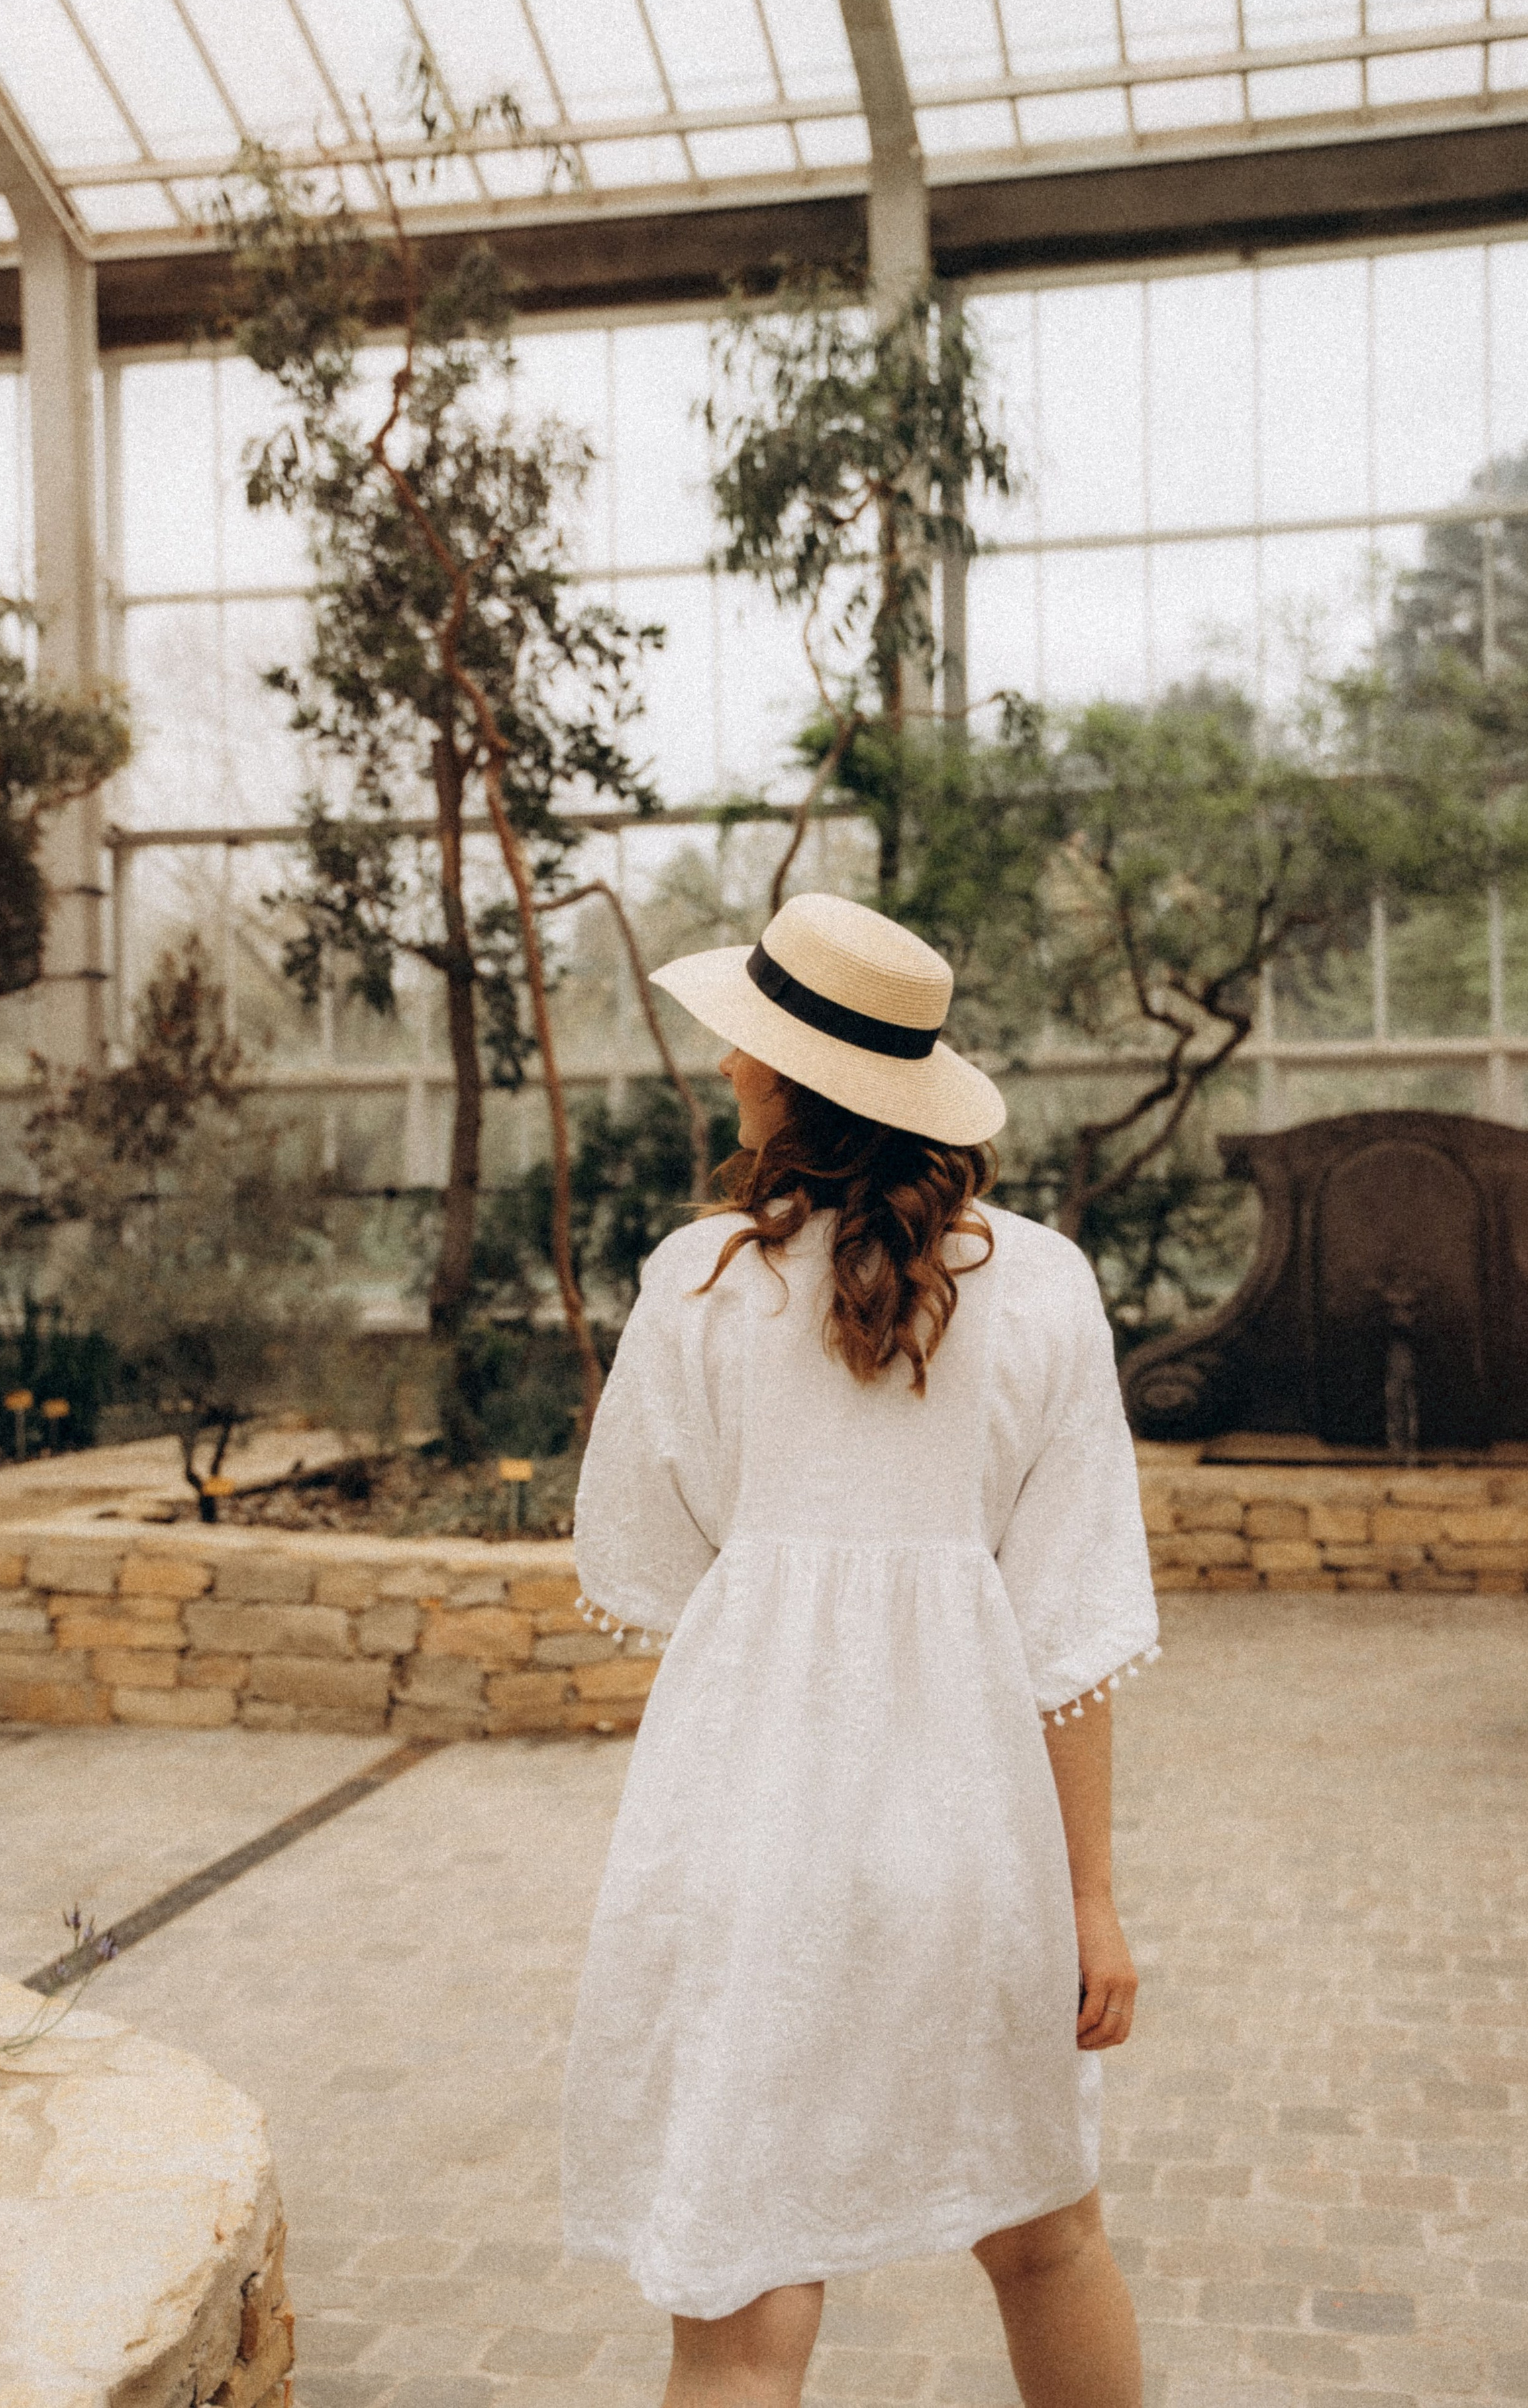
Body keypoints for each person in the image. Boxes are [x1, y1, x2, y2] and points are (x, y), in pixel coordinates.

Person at [561, 892, 1159, 2408]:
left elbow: (655, 1563)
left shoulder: (697, 1283)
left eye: (741, 1047)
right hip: (971, 1840)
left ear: (784, 1079)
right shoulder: (1044, 1283)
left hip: (747, 1835)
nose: (723, 1068)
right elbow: (1066, 1638)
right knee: (1048, 2239)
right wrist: (1089, 1899)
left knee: (741, 2306)